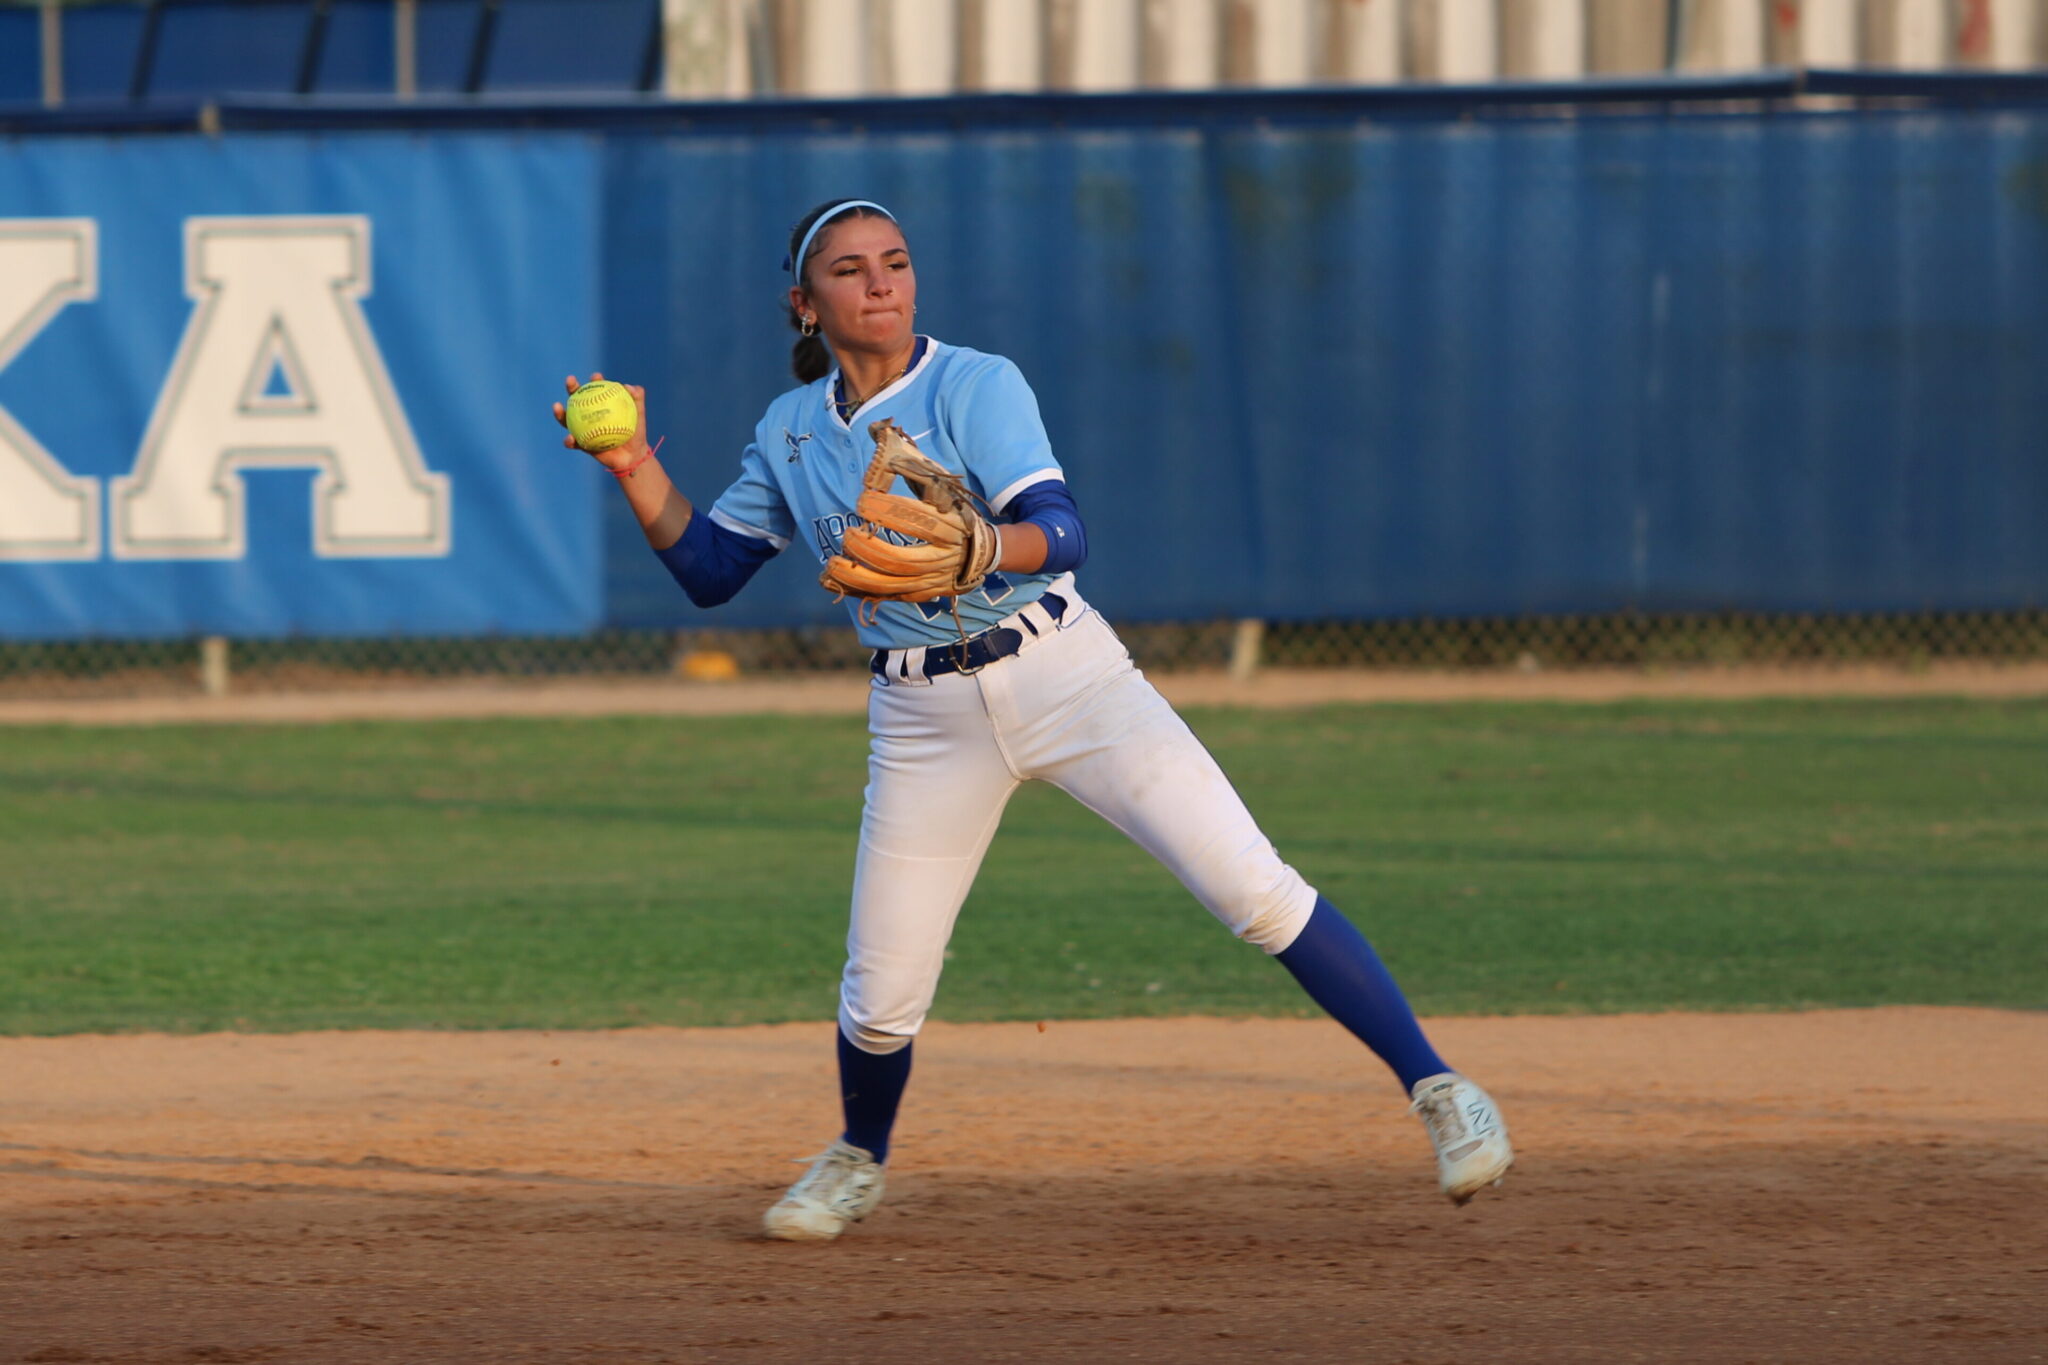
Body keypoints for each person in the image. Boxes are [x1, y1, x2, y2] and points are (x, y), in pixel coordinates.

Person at [552, 197, 1513, 1243]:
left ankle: (1440, 1089)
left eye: (895, 261)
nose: (880, 283)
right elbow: (708, 571)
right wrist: (633, 465)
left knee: (1251, 887)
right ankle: (858, 1157)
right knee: (880, 990)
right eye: (849, 269)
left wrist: (982, 548)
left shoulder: (974, 382)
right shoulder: (789, 430)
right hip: (922, 716)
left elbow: (1061, 531)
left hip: (1067, 675)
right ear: (805, 303)